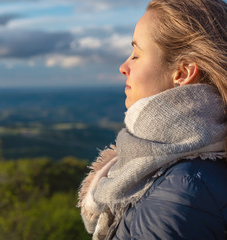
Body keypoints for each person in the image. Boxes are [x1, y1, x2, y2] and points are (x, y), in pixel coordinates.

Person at [77, 0, 227, 239]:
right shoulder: (182, 178)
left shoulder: (179, 194)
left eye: (136, 55)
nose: (123, 67)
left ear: (182, 72)